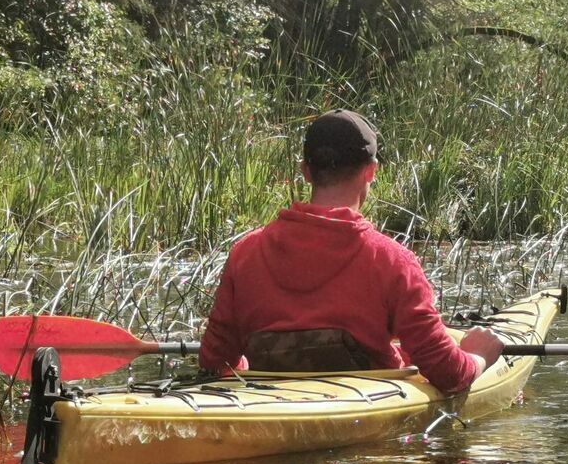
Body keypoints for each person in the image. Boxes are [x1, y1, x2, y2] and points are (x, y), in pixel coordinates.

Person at [198, 108, 504, 393]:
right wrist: (478, 356)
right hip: (368, 413)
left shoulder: (245, 253)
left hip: (267, 403)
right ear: (371, 171)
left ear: (306, 171)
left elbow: (214, 361)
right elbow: (449, 374)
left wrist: (248, 371)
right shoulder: (392, 261)